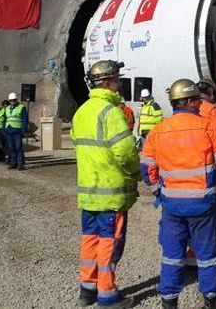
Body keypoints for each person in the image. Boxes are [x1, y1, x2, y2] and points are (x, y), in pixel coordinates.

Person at [142, 79, 216, 309]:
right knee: (206, 254)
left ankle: (169, 300)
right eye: (197, 100)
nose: (200, 103)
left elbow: (147, 167)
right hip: (203, 205)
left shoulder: (159, 130)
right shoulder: (207, 126)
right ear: (191, 101)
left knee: (172, 255)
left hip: (172, 205)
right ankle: (211, 298)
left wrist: (157, 192)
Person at [72, 60, 140, 308]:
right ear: (109, 82)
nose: (119, 84)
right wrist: (135, 173)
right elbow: (125, 152)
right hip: (111, 195)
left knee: (89, 240)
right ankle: (107, 296)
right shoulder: (111, 113)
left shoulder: (82, 112)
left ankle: (87, 290)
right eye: (117, 80)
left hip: (88, 193)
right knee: (109, 244)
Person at [4, 92, 28, 170]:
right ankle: (13, 162)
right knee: (11, 147)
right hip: (9, 131)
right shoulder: (7, 109)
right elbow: (5, 119)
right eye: (11, 100)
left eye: (14, 100)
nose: (12, 102)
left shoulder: (21, 107)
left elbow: (25, 119)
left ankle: (20, 163)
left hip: (17, 131)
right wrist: (4, 129)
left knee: (18, 147)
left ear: (16, 100)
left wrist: (24, 130)